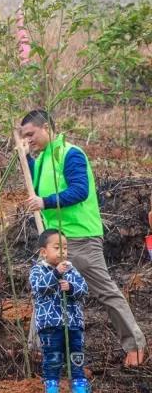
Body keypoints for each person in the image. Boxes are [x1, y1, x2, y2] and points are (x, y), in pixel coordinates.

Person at [22, 109, 146, 367]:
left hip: (81, 238)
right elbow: (35, 183)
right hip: (54, 240)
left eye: (31, 135)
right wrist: (25, 158)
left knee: (105, 292)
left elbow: (79, 190)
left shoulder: (70, 153)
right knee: (44, 290)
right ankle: (37, 349)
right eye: (24, 137)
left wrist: (44, 202)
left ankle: (135, 345)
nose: (29, 140)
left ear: (46, 127)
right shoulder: (43, 158)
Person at [30, 229, 96, 393]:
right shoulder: (38, 270)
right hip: (50, 324)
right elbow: (39, 287)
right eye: (57, 247)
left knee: (77, 357)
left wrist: (71, 287)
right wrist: (56, 274)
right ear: (44, 252)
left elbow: (84, 289)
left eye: (65, 248)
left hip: (73, 322)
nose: (63, 252)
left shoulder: (71, 269)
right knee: (53, 358)